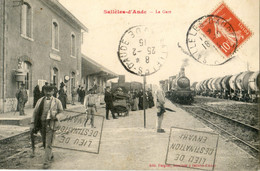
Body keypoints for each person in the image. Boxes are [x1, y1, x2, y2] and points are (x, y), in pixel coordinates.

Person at [30, 85, 63, 169]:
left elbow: (61, 113)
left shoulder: (57, 101)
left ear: (53, 91)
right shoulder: (40, 101)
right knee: (45, 143)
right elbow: (34, 112)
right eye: (46, 91)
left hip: (51, 125)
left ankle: (46, 162)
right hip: (41, 124)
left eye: (50, 91)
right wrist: (32, 123)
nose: (48, 93)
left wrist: (56, 116)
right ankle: (50, 154)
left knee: (48, 144)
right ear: (43, 91)